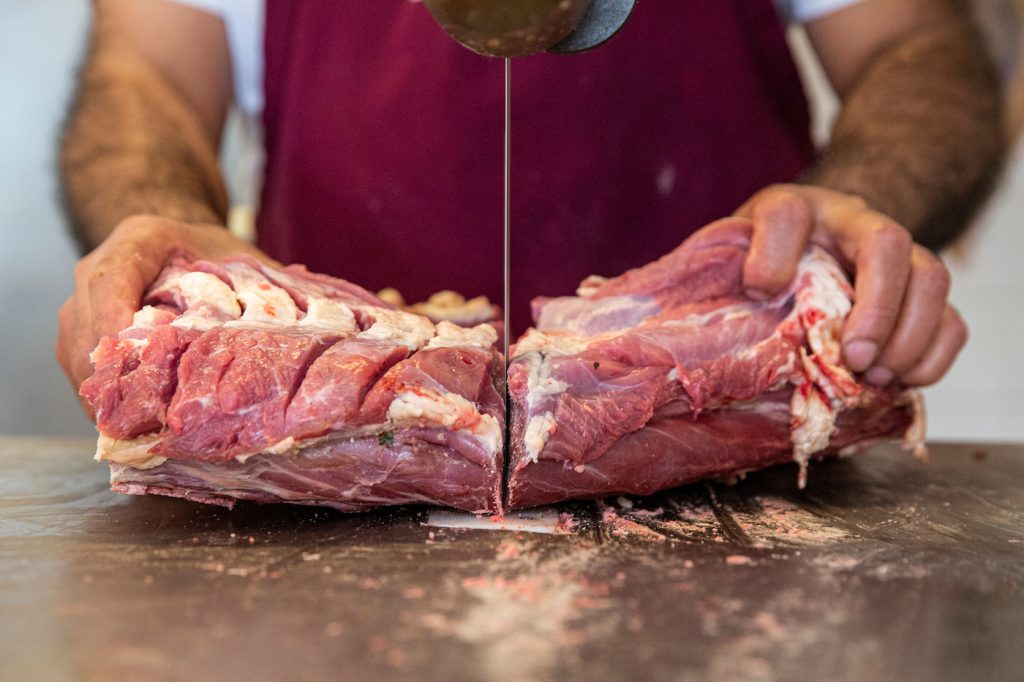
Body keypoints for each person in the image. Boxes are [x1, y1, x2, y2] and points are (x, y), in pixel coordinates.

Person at [56, 0, 1002, 407]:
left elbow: (915, 47)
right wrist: (157, 221)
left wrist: (853, 209)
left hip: (730, 425)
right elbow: (150, 76)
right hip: (331, 458)